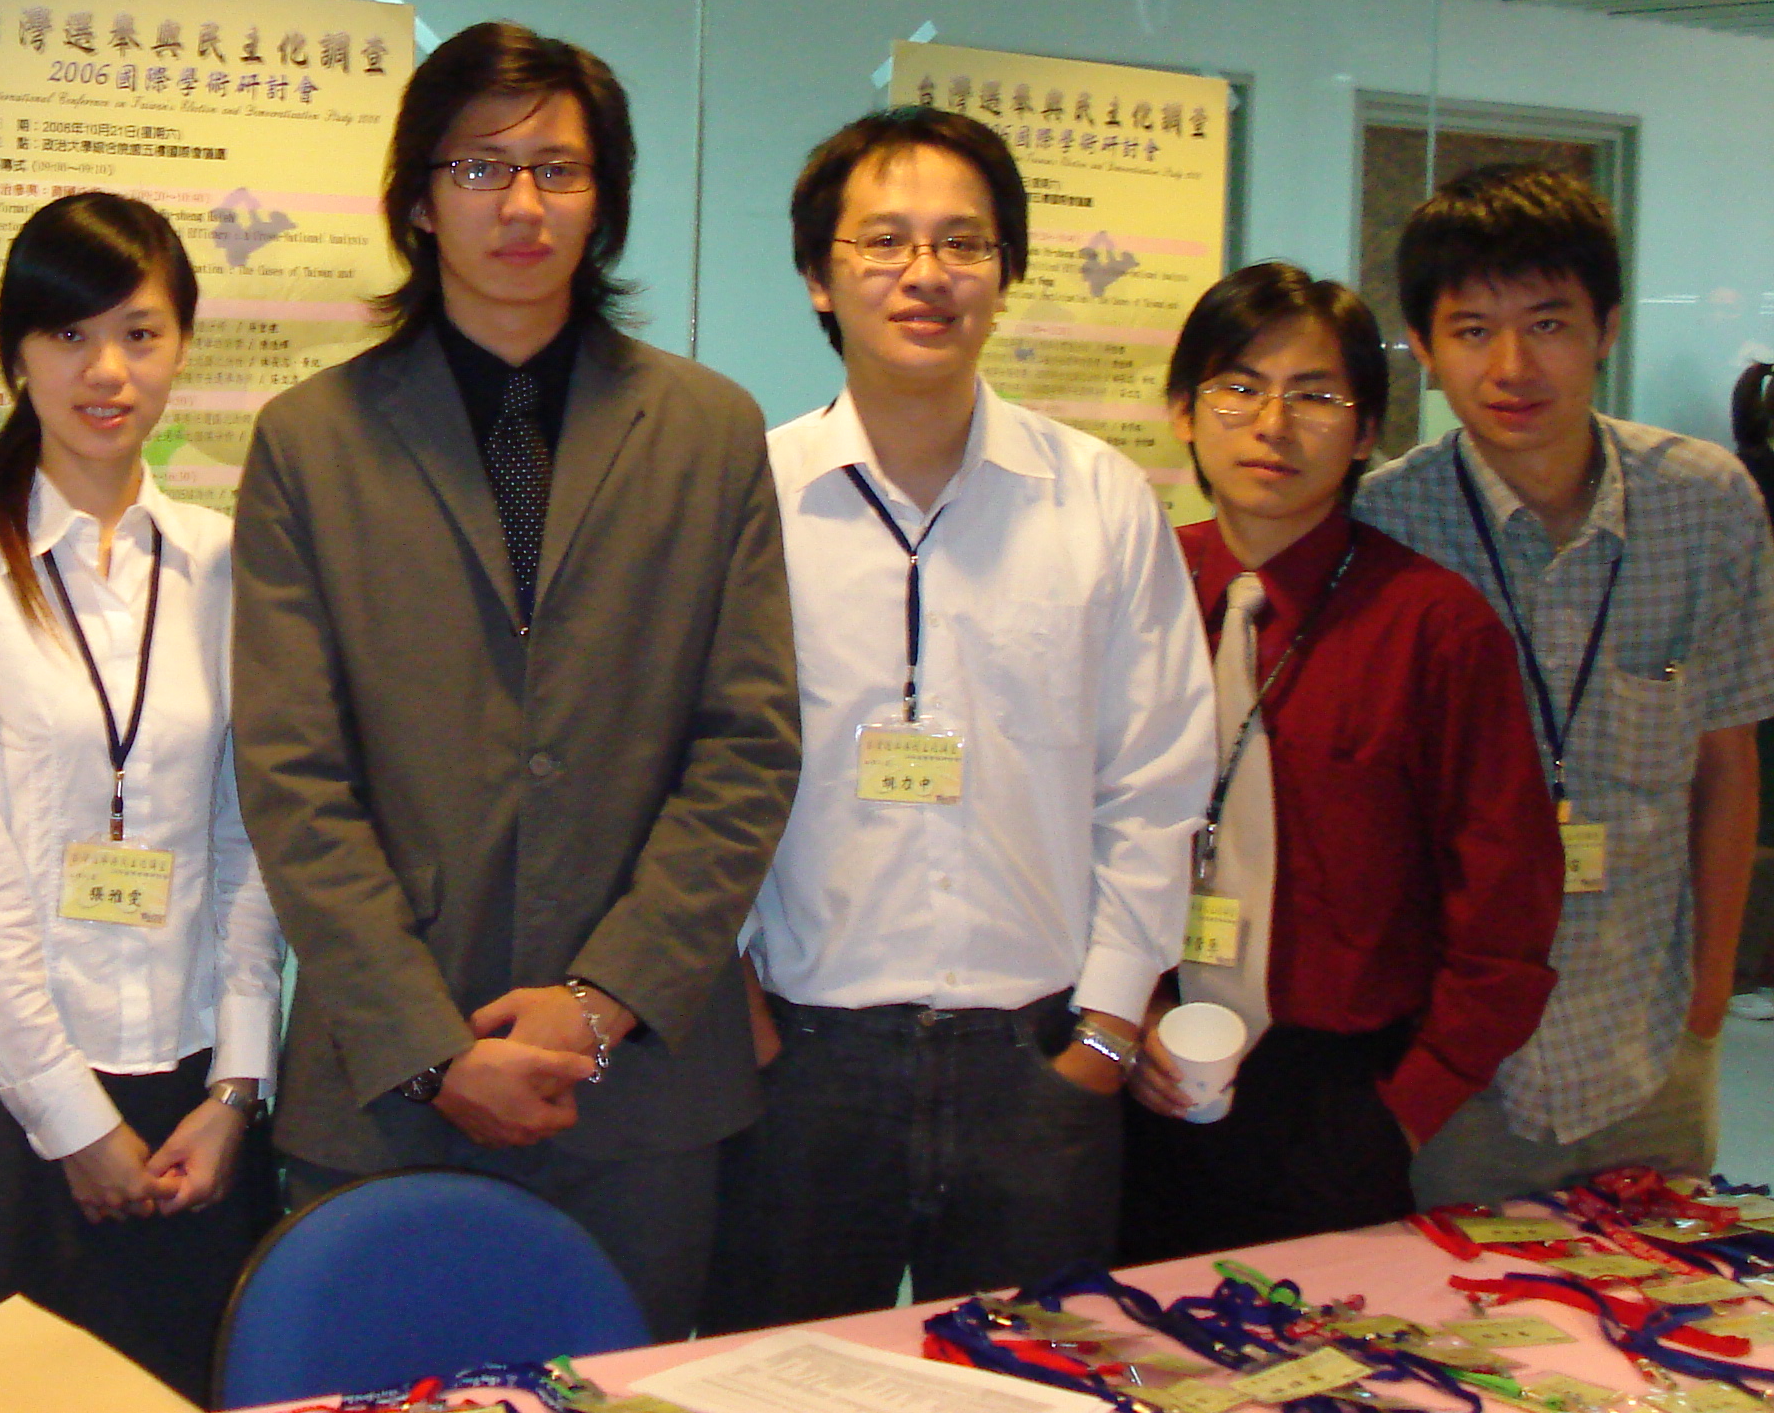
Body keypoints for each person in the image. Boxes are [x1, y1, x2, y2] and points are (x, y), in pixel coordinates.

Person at [232, 22, 800, 1339]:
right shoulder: (310, 443)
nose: (522, 204)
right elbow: (292, 778)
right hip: (388, 1087)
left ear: (605, 203)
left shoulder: (709, 432)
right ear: (418, 202)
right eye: (480, 168)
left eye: (560, 169)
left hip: (642, 1091)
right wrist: (430, 1046)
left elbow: (747, 747)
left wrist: (601, 1007)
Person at [706, 107, 1212, 1329]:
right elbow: (677, 770)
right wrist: (731, 1004)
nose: (923, 273)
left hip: (1035, 1063)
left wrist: (1104, 1027)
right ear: (817, 275)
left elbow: (1154, 778)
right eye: (882, 240)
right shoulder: (743, 498)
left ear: (1005, 271)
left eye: (961, 242)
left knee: (1032, 1383)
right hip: (800, 1060)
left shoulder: (1097, 502)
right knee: (780, 1380)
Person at [0, 190, 281, 1402]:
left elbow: (248, 837)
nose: (106, 371)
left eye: (139, 334)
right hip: (6, 1097)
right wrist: (73, 1121)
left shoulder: (224, 561)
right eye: (68, 335)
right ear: (15, 357)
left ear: (181, 349)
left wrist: (237, 1087)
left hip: (191, 1094)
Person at [1119, 262, 1561, 1261]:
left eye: (1314, 396)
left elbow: (1506, 907)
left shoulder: (1433, 627)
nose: (1272, 425)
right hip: (1134, 1070)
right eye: (1238, 388)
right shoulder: (1131, 592)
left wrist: (1403, 1112)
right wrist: (1126, 1015)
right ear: (1182, 411)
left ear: (1365, 434)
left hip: (1334, 1096)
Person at [1359, 163, 1774, 1203]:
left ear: (1606, 329)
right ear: (1422, 347)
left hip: (1647, 1044)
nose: (1512, 366)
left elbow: (1725, 767)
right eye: (1471, 330)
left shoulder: (1707, 504)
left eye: (1547, 324)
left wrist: (1707, 1005)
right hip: (1452, 1064)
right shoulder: (1383, 524)